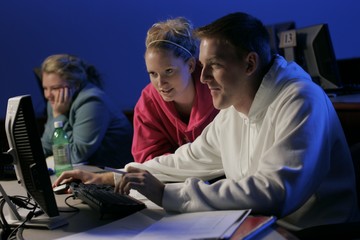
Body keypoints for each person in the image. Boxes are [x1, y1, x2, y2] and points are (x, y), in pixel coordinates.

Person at [53, 12, 360, 233]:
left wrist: (167, 194)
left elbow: (276, 192)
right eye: (201, 67)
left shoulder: (300, 99)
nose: (202, 77)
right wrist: (116, 177)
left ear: (250, 63)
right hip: (262, 226)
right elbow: (188, 160)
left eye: (213, 66)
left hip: (312, 231)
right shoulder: (233, 112)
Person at [132, 17, 219, 163]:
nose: (160, 83)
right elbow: (148, 161)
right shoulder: (147, 104)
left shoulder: (218, 90)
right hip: (172, 183)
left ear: (191, 65)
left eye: (169, 71)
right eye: (153, 73)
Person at [41, 54, 133, 168]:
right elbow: (46, 146)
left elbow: (75, 155)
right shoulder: (55, 103)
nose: (48, 95)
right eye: (45, 88)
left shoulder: (92, 101)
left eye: (55, 88)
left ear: (76, 84)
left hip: (113, 174)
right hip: (88, 172)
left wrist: (59, 117)